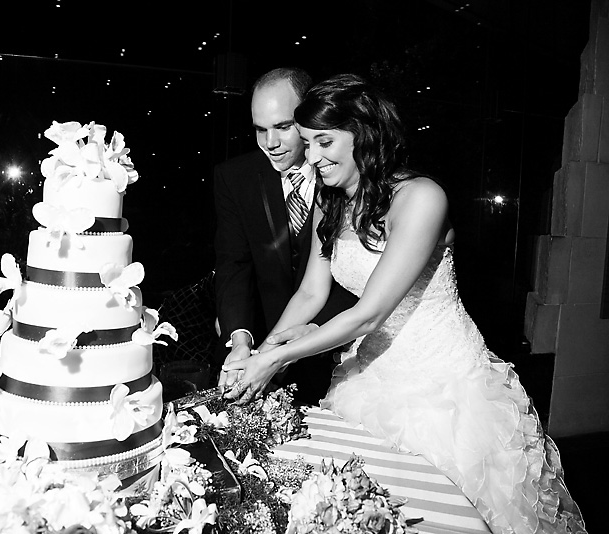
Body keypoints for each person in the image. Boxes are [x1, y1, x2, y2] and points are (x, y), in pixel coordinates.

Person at [221, 73, 587, 534]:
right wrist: (261, 351)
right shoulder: (330, 202)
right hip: (371, 377)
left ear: (364, 134)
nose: (310, 157)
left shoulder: (422, 198)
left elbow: (369, 313)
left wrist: (275, 360)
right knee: (367, 509)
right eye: (308, 143)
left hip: (447, 389)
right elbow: (311, 293)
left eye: (324, 142)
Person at [213, 67, 358, 404]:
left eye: (282, 127)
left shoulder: (341, 176)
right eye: (260, 130)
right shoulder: (234, 177)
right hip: (263, 344)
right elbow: (233, 264)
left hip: (340, 346)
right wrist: (241, 339)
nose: (271, 143)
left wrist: (310, 333)